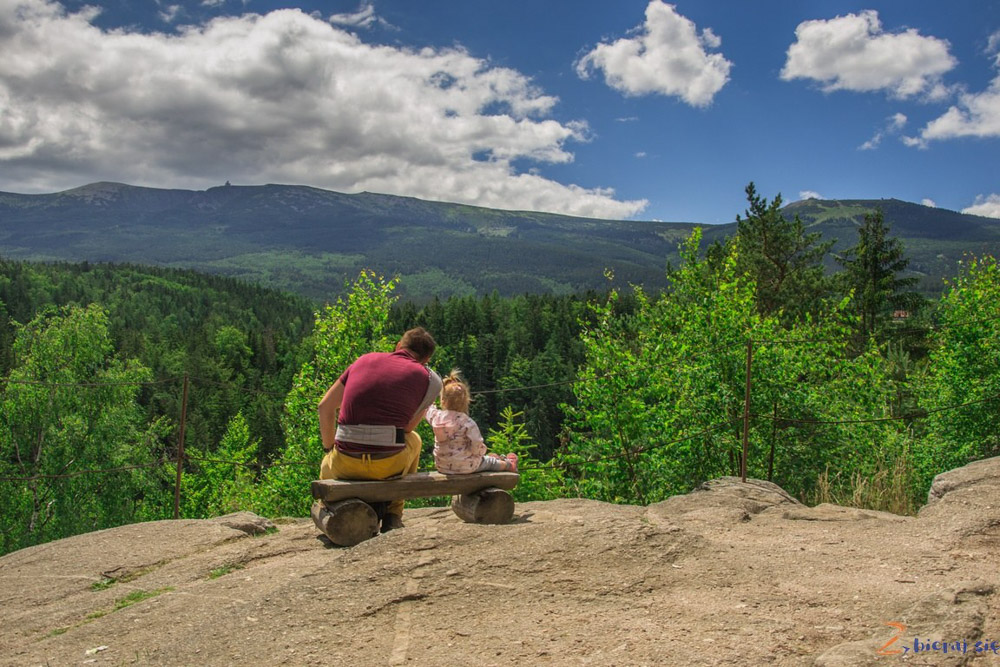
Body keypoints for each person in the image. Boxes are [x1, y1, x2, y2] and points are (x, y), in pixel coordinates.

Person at [318, 327, 442, 533]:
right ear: (426, 360)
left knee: (327, 462)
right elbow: (408, 428)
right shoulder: (431, 381)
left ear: (398, 346)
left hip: (344, 464)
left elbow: (325, 407)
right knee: (416, 439)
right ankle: (394, 513)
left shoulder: (363, 360)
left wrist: (329, 448)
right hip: (388, 465)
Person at [425, 370, 518, 474]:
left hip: (442, 466)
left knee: (482, 460)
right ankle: (509, 465)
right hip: (466, 466)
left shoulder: (436, 417)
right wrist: (480, 454)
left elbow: (428, 409)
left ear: (442, 400)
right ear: (466, 401)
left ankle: (492, 459)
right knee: (490, 462)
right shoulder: (467, 422)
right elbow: (477, 444)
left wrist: (430, 399)